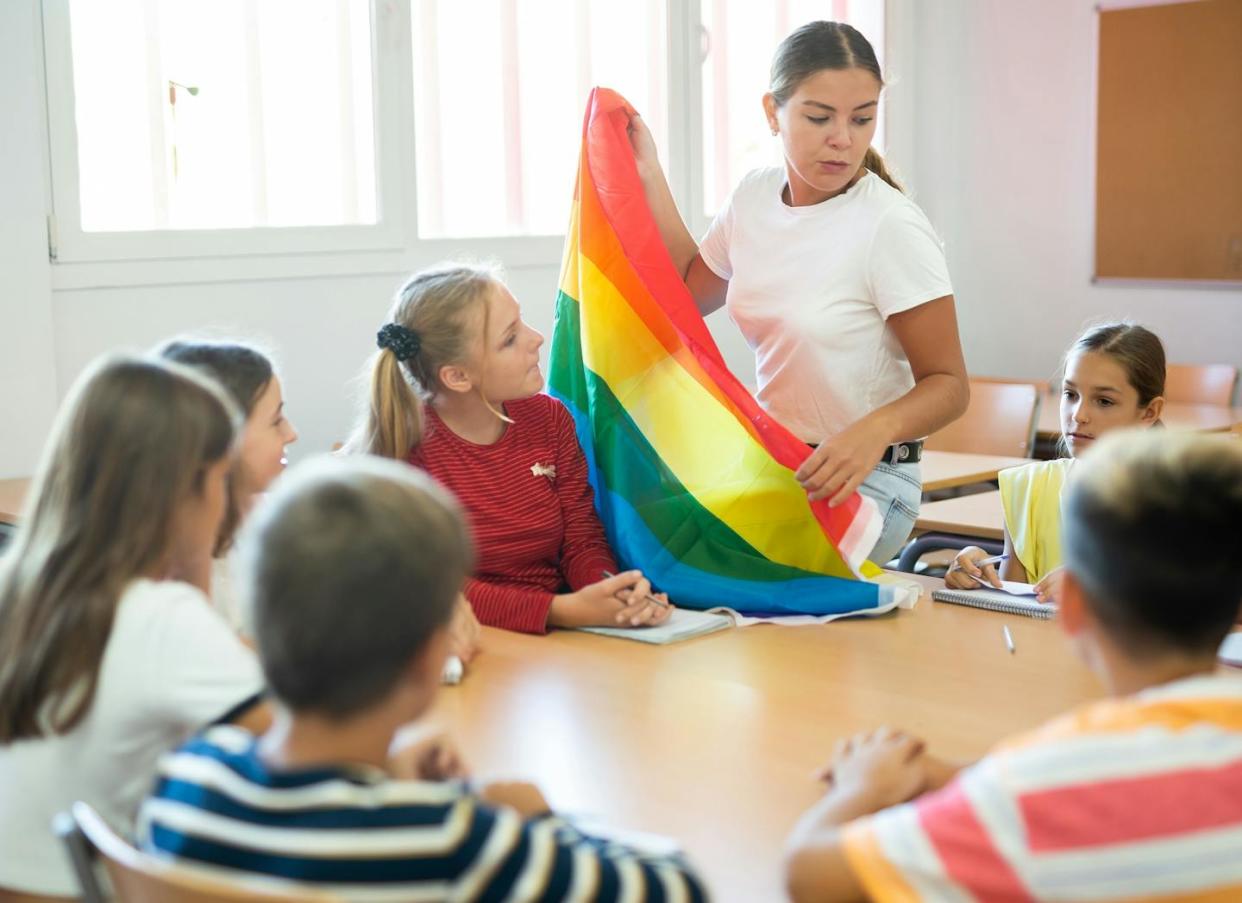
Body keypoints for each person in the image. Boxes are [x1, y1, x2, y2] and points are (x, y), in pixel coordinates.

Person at [139, 455, 708, 901]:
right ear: (429, 659)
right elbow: (677, 886)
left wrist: (386, 769)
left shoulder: (188, 779)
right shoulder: (443, 839)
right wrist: (540, 818)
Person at [784, 429, 1242, 901]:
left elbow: (812, 875)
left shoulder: (1037, 796)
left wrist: (863, 788)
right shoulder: (1049, 773)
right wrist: (958, 774)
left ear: (1074, 607)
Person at [628, 20, 969, 564]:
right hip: (778, 464)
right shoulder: (754, 197)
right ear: (772, 112)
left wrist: (872, 432)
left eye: (863, 118)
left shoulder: (891, 226)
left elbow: (950, 385)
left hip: (871, 481)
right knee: (646, 538)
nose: (844, 138)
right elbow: (688, 296)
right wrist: (648, 173)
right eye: (819, 117)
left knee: (722, 565)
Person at [0, 356, 266, 899]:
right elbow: (302, 752)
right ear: (182, 492)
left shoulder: (21, 583)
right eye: (220, 479)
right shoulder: (159, 617)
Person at [345, 263, 672, 634]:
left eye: (522, 322)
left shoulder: (550, 419)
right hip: (467, 641)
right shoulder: (406, 455)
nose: (536, 339)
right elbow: (433, 591)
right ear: (457, 376)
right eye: (509, 338)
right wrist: (561, 610)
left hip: (558, 634)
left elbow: (581, 537)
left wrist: (610, 592)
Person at [946, 322, 1165, 602]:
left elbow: (1193, 618)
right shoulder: (1030, 487)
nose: (1079, 415)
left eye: (1105, 401)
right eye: (1070, 395)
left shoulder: (1176, 502)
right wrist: (979, 577)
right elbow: (1015, 603)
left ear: (1149, 412)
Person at [158, 339, 298, 632]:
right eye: (276, 421)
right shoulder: (170, 579)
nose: (291, 433)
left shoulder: (267, 517)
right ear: (221, 440)